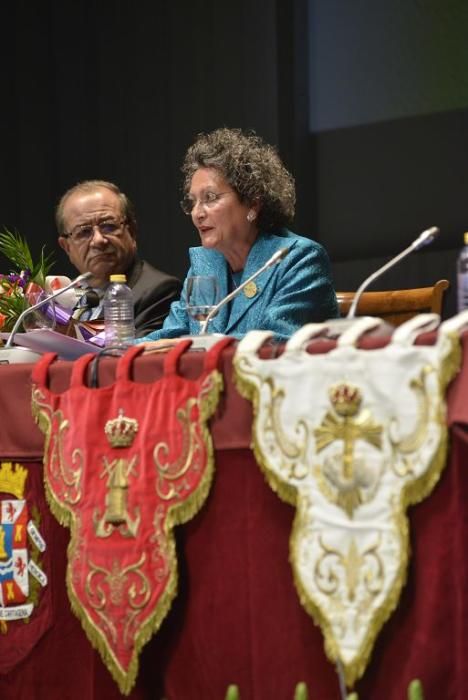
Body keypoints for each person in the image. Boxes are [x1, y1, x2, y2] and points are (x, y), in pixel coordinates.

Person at [138, 127, 338, 344]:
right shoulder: (205, 265)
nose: (197, 213)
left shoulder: (297, 259)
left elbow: (276, 342)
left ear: (253, 202)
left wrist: (190, 347)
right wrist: (108, 352)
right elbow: (167, 336)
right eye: (192, 202)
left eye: (210, 198)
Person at [56, 180, 181, 337]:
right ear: (67, 247)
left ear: (132, 232)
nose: (98, 240)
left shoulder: (159, 291)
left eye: (108, 226)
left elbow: (139, 355)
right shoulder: (61, 298)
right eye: (84, 232)